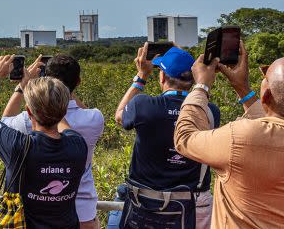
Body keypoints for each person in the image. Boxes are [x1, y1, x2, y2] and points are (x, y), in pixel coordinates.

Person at [173, 44, 284, 228]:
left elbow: (185, 137)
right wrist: (242, 88)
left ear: (265, 95)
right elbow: (272, 125)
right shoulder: (251, 137)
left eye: (264, 76)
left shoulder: (240, 138)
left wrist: (201, 86)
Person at [0, 55, 87, 229]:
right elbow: (61, 120)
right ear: (64, 110)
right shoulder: (78, 146)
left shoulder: (18, 146)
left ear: (28, 112)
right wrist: (48, 98)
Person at [114, 44, 220, 229]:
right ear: (194, 77)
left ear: (162, 76)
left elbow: (119, 115)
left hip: (146, 204)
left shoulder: (143, 105)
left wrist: (141, 77)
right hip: (192, 205)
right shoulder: (210, 112)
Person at [0, 54, 104, 228]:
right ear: (78, 81)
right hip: (84, 209)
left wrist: (24, 88)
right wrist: (61, 91)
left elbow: (4, 122)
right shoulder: (94, 118)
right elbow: (79, 107)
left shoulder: (28, 119)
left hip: (39, 211)